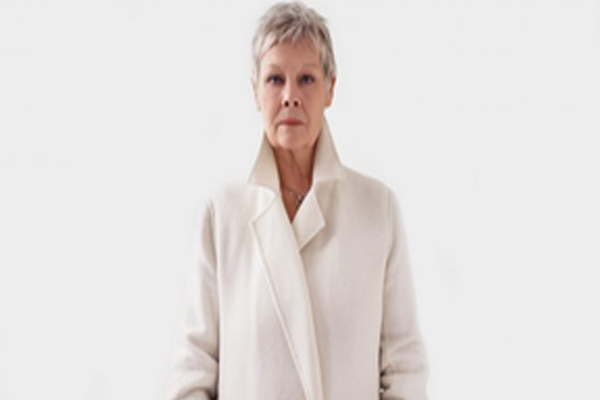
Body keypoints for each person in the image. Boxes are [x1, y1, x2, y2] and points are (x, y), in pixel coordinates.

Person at [167, 2, 428, 399]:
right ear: (255, 91)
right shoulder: (223, 216)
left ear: (330, 88)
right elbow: (192, 371)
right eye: (275, 79)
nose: (290, 96)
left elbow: (404, 369)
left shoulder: (377, 210)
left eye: (306, 79)